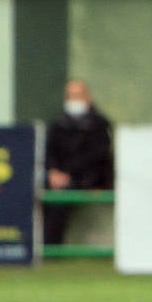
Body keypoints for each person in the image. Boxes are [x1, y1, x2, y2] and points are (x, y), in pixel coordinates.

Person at [42, 79, 114, 245]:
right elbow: (50, 152)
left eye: (77, 95)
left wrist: (70, 174)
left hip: (88, 180)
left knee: (60, 201)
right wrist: (53, 171)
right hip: (59, 178)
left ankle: (51, 248)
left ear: (87, 97)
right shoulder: (58, 123)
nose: (74, 99)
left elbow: (98, 157)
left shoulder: (99, 125)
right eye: (70, 95)